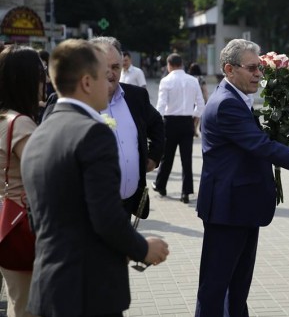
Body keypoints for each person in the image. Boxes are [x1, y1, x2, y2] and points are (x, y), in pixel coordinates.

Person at [195, 38, 289, 317]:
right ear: (229, 69)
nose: (259, 74)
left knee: (237, 287)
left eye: (261, 68)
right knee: (216, 289)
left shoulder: (238, 99)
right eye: (252, 68)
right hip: (226, 211)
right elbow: (262, 146)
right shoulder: (226, 104)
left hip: (240, 208)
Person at [20, 39, 170, 317]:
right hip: (87, 290)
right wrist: (142, 248)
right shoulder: (93, 132)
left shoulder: (40, 131)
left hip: (50, 287)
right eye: (105, 76)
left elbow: (38, 216)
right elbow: (106, 216)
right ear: (87, 82)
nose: (112, 82)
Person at [87, 37, 164, 219]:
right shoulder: (78, 100)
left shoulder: (135, 96)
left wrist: (153, 157)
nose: (111, 74)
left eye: (116, 67)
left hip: (127, 204)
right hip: (92, 209)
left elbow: (157, 123)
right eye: (105, 68)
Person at [0, 45, 45, 317]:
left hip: (6, 219)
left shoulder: (4, 118)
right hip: (22, 226)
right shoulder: (20, 124)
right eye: (40, 74)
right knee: (27, 307)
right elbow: (45, 177)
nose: (45, 81)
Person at [153, 54, 205, 203]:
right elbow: (201, 105)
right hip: (187, 123)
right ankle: (186, 193)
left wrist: (156, 123)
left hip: (170, 123)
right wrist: (192, 115)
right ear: (181, 64)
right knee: (186, 159)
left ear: (169, 65)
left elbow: (161, 105)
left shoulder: (165, 81)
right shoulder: (193, 81)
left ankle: (160, 185)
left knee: (167, 157)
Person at [188, 62, 208, 138]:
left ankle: (192, 129)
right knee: (197, 116)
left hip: (189, 99)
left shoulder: (188, 78)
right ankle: (195, 130)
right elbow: (205, 90)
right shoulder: (201, 78)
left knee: (190, 116)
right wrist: (206, 99)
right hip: (199, 99)